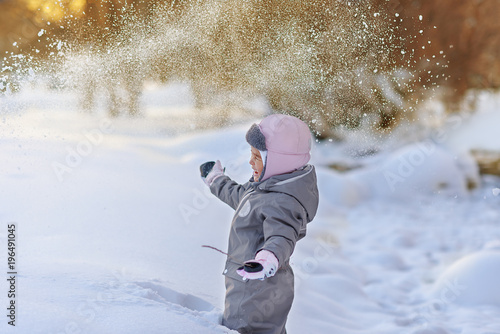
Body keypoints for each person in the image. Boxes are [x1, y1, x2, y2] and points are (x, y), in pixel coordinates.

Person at [200, 114, 319, 334]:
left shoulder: (283, 201)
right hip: (249, 285)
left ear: (280, 160)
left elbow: (282, 236)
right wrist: (216, 180)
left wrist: (266, 260)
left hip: (258, 291)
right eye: (251, 154)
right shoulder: (266, 187)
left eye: (257, 156)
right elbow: (240, 197)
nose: (250, 161)